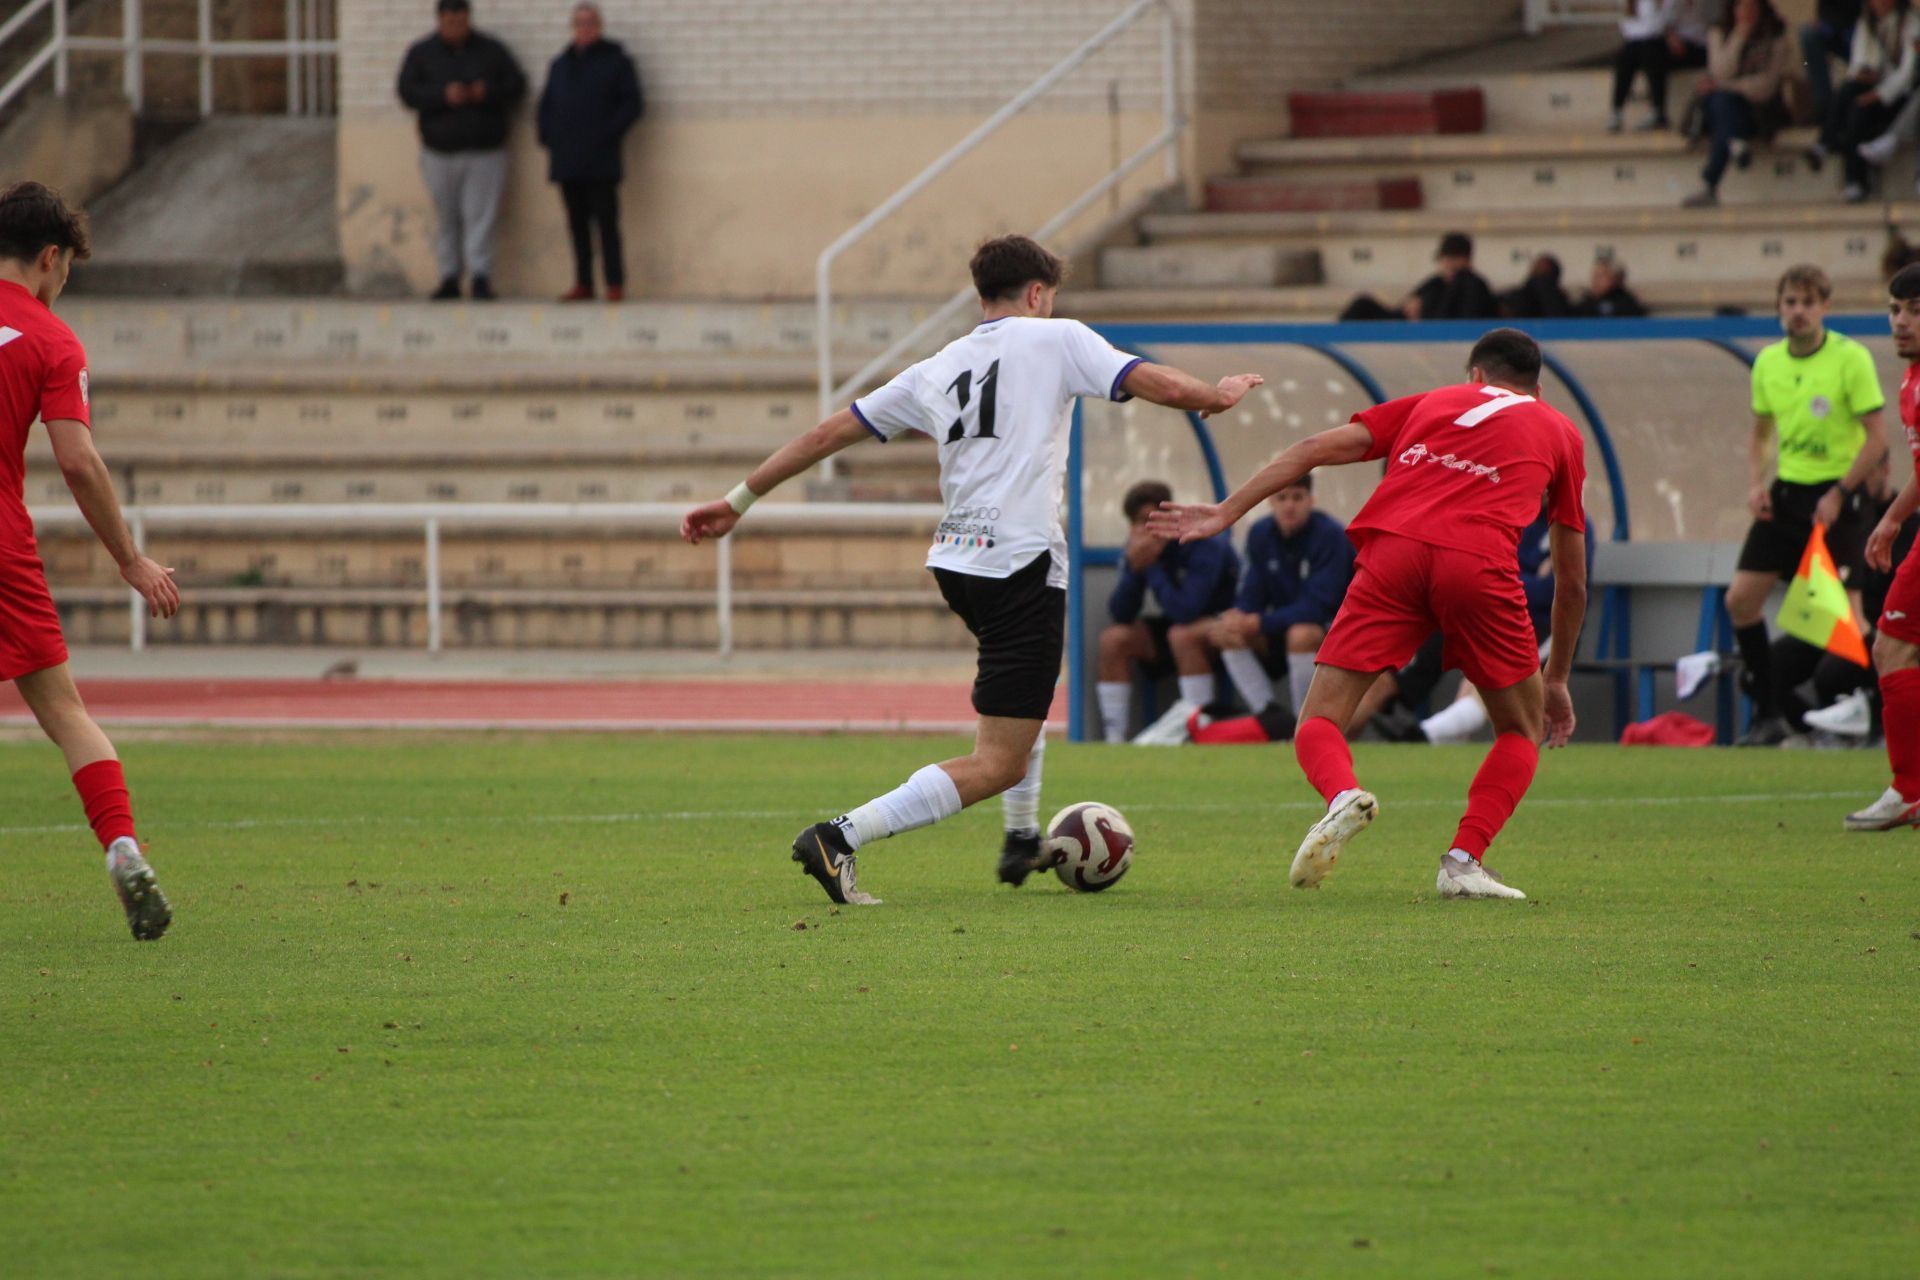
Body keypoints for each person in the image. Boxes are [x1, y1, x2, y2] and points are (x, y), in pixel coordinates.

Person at [679, 235, 1262, 904]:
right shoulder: (1058, 338)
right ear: (1038, 293)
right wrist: (1214, 397)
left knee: (1022, 704)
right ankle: (838, 836)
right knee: (999, 760)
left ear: (983, 294)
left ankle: (1019, 839)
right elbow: (1148, 379)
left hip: (958, 563)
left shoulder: (939, 365)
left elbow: (825, 435)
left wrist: (737, 501)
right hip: (1019, 562)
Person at [1150, 329, 1588, 901]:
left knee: (1318, 720)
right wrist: (1555, 680)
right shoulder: (1560, 431)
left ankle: (1340, 797)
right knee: (1522, 728)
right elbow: (1573, 581)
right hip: (1478, 564)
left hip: (1393, 553)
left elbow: (1310, 449)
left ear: (1474, 376)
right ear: (1537, 386)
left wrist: (1226, 512)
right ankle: (1462, 861)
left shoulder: (1435, 401)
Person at [0, 182, 179, 940]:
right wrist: (130, 558)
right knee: (67, 713)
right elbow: (78, 463)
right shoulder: (52, 340)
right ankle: (124, 848)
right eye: (66, 269)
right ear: (49, 259)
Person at [1725, 265, 1887, 746]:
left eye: (1807, 302)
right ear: (1779, 308)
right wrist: (1756, 484)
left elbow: (1877, 439)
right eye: (1790, 302)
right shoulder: (1768, 364)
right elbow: (1759, 436)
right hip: (1787, 497)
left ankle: (1881, 717)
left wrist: (1840, 491)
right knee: (1741, 599)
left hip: (1838, 500)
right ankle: (1769, 715)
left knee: (1851, 617)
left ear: (1825, 308)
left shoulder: (1849, 359)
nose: (1797, 312)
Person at [1843, 261, 1920, 828]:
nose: (1901, 322)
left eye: (1915, 311)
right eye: (1896, 310)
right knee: (1896, 647)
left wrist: (1891, 519)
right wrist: (1893, 519)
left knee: (1893, 645)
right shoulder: (1910, 379)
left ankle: (1909, 787)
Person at [396, 0, 527, 301]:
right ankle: (449, 277)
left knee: (480, 216)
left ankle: (480, 276)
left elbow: (517, 86)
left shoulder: (491, 50)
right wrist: (443, 96)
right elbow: (407, 91)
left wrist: (487, 92)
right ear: (440, 20)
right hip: (439, 151)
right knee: (446, 217)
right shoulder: (422, 52)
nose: (456, 26)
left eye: (461, 19)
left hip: (485, 151)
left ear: (469, 18)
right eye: (450, 20)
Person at [1096, 480, 1240, 745]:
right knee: (1113, 639)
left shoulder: (1202, 543)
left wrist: (1151, 567)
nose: (1149, 529)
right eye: (1141, 521)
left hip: (1224, 631)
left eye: (1155, 519)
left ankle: (1199, 731)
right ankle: (1113, 739)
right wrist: (1134, 568)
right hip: (1176, 628)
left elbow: (1187, 609)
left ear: (1172, 518)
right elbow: (1121, 612)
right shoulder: (1140, 549)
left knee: (1182, 634)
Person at [1210, 475, 1354, 726]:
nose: (1289, 506)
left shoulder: (1331, 535)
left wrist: (1259, 622)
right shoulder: (1260, 533)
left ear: (1311, 501)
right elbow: (1251, 592)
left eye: (1297, 497)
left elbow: (1319, 606)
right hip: (1279, 628)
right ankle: (1269, 715)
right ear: (1271, 502)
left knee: (1301, 634)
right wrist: (1241, 615)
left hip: (1331, 633)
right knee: (1224, 630)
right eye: (1282, 498)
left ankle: (1305, 722)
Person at [538, 3, 643, 302]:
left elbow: (632, 104)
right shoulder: (560, 64)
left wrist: (607, 134)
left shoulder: (616, 62)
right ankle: (583, 283)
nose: (585, 28)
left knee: (607, 222)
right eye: (580, 23)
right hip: (567, 159)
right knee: (576, 223)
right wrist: (548, 138)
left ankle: (614, 282)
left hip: (601, 159)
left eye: (590, 23)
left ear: (600, 26)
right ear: (573, 27)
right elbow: (546, 106)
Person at [1682, 0, 1795, 207]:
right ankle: (1734, 143)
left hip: (1759, 110)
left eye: (1752, 8)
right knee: (1723, 103)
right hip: (1722, 107)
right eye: (1741, 7)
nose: (1746, 13)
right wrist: (1739, 35)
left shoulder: (1775, 39)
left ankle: (1711, 181)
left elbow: (1765, 86)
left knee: (1724, 102)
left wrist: (1725, 86)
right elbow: (1720, 70)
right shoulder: (1719, 34)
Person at [1805, 0, 1918, 203]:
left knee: (1861, 105)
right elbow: (1860, 60)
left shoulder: (1912, 23)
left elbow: (1907, 74)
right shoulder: (1867, 22)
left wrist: (1879, 94)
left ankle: (1827, 142)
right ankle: (1852, 177)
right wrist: (1862, 75)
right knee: (1852, 96)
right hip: (1878, 84)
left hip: (1900, 94)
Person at [1339, 232, 1498, 323]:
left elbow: (1457, 317)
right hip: (1410, 327)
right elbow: (1408, 306)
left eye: (1450, 259)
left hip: (1439, 335)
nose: (1445, 265)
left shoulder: (1472, 284)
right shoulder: (1436, 282)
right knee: (1362, 305)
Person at [1611, 0, 1713, 132]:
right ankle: (1617, 110)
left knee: (1649, 48)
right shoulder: (1643, 3)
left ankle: (1657, 111)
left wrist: (1665, 33)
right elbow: (1633, 30)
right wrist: (1665, 34)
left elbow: (1657, 26)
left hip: (1692, 46)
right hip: (1659, 48)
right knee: (1630, 51)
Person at [1804, 0, 1866, 124]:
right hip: (1838, 33)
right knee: (1808, 34)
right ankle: (1823, 106)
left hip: (1861, 34)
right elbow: (1824, 13)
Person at [1498, 254, 1573, 319]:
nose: (1536, 270)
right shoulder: (1518, 296)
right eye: (1536, 267)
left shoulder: (1556, 299)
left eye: (1543, 271)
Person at [1571, 256, 1648, 318]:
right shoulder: (1586, 303)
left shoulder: (1627, 305)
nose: (1595, 281)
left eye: (1601, 276)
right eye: (1595, 276)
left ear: (1617, 278)